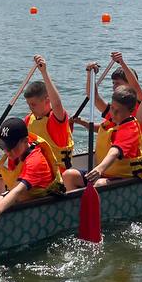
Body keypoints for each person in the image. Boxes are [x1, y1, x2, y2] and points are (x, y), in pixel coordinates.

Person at [0, 116, 64, 227]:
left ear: (26, 141)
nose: (7, 151)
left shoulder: (36, 161)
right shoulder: (18, 148)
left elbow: (18, 191)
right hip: (19, 195)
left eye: (11, 147)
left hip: (41, 202)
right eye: (4, 147)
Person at [23, 55, 84, 191]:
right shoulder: (28, 119)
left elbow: (57, 103)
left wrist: (44, 72)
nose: (30, 108)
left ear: (47, 100)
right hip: (38, 176)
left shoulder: (56, 120)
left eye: (33, 104)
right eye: (28, 104)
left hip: (58, 178)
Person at [85, 86, 142, 187]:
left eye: (118, 111)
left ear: (131, 111)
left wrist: (100, 169)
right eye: (112, 108)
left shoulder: (130, 129)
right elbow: (93, 96)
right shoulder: (114, 118)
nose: (113, 113)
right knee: (70, 175)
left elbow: (115, 151)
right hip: (106, 173)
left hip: (125, 176)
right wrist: (90, 73)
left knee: (99, 184)